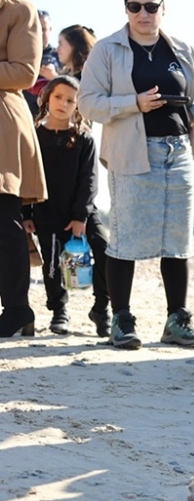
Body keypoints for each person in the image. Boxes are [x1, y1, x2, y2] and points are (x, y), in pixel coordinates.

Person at [79, 0, 194, 349]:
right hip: (132, 152)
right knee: (125, 239)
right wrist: (133, 103)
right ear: (125, 6)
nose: (143, 13)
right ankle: (122, 320)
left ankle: (177, 320)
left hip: (178, 153)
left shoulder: (182, 49)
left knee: (177, 242)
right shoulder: (107, 49)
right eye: (134, 6)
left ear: (164, 5)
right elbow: (88, 104)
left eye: (150, 6)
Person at [22, 76, 110, 337]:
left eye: (71, 100)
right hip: (46, 213)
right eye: (58, 97)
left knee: (104, 250)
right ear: (46, 98)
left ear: (78, 106)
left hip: (82, 212)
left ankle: (101, 308)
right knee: (52, 264)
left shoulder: (84, 139)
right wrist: (26, 213)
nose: (63, 103)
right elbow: (27, 177)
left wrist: (80, 216)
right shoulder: (34, 136)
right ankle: (59, 311)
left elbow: (89, 180)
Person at [0, 0, 47, 338]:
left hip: (2, 122)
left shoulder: (18, 9)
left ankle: (17, 309)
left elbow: (24, 73)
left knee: (3, 219)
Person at [22, 7, 56, 117]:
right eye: (36, 29)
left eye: (44, 29)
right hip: (23, 116)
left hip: (50, 121)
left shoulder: (62, 58)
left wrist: (56, 77)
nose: (40, 33)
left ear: (50, 29)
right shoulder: (18, 56)